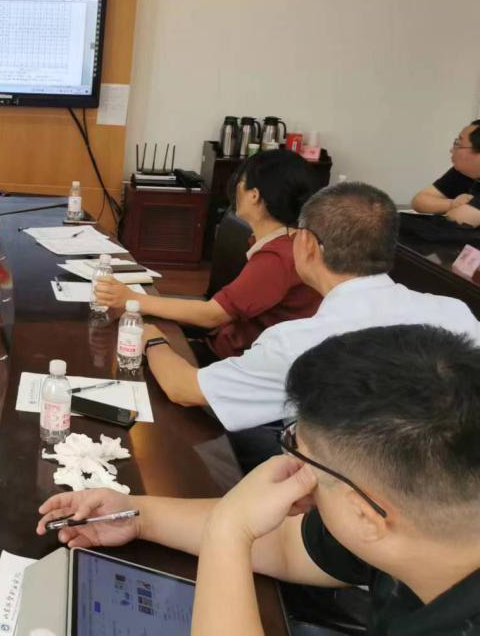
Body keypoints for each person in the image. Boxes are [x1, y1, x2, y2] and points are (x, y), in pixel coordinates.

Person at [37, 324, 480, 635]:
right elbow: (292, 545)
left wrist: (228, 532)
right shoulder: (420, 518)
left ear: (367, 515)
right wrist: (137, 515)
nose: (295, 474)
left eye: (304, 460)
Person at [140, 181, 480, 432]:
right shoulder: (455, 313)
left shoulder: (298, 343)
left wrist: (152, 339)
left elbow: (183, 389)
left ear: (306, 244)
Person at [95, 149, 322, 360]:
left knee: (121, 345)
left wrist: (131, 298)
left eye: (241, 181)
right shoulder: (292, 242)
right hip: (232, 341)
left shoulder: (278, 258)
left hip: (237, 361)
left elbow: (212, 315)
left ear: (254, 195)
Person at [411, 120, 480, 227]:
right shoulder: (463, 172)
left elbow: (457, 219)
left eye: (458, 144)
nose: (451, 150)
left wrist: (453, 209)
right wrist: (452, 204)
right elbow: (419, 201)